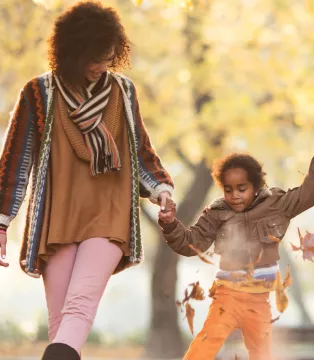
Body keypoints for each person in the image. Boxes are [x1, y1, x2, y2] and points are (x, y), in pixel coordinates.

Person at [0, 2, 174, 359]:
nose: (99, 67)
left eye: (107, 58)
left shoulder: (123, 93)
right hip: (57, 218)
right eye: (92, 59)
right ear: (70, 53)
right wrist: (2, 222)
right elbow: (15, 161)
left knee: (80, 305)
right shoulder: (39, 94)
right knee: (61, 322)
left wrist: (161, 190)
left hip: (109, 216)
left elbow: (140, 151)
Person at [158, 148, 314, 360]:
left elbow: (308, 193)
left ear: (256, 186)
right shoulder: (217, 213)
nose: (234, 196)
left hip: (259, 301)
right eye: (228, 190)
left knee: (262, 354)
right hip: (227, 296)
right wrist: (170, 224)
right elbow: (190, 243)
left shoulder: (276, 205)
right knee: (206, 343)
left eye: (241, 189)